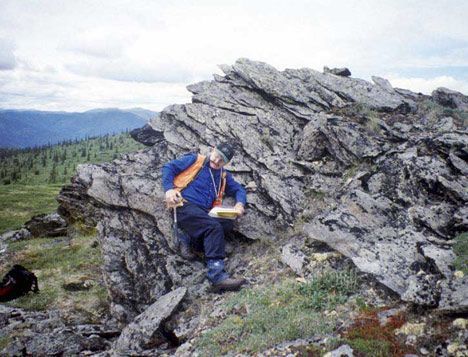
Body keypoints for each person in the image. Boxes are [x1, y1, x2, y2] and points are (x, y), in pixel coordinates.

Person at [162, 142, 247, 292]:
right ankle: (217, 276)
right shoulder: (196, 160)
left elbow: (239, 189)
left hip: (204, 212)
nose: (216, 161)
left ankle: (190, 242)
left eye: (222, 160)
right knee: (212, 227)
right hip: (183, 205)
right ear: (212, 150)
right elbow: (169, 167)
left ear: (226, 163)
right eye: (216, 156)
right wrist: (169, 190)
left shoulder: (223, 175)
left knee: (226, 224)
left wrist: (240, 204)